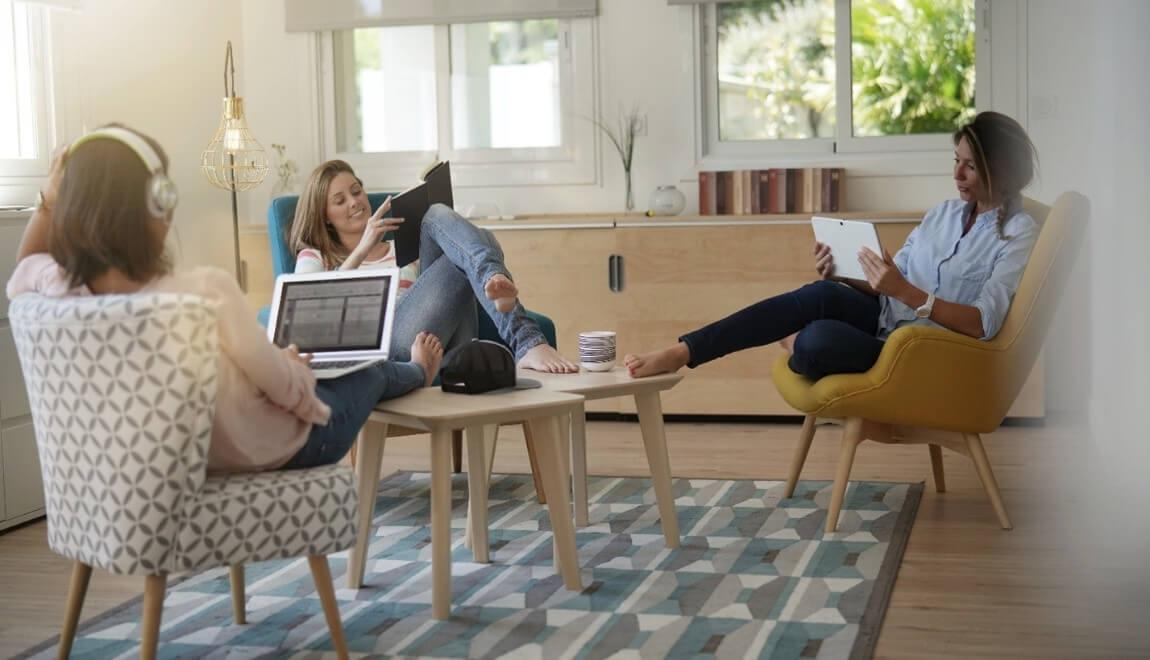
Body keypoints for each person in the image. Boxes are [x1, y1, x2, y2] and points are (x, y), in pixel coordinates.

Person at [6, 124, 444, 473]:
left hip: (147, 473)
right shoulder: (203, 292)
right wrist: (293, 373)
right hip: (266, 453)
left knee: (329, 366)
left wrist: (52, 196)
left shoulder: (56, 292)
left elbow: (24, 266)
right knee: (365, 374)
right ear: (159, 203)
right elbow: (292, 395)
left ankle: (404, 369)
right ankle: (416, 371)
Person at [625, 111, 1040, 381]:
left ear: (1001, 168)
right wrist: (850, 273)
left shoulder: (1018, 233)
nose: (958, 174)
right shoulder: (943, 213)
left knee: (814, 342)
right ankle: (683, 351)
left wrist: (903, 290)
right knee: (821, 291)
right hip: (884, 316)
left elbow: (983, 322)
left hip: (921, 353)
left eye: (971, 165)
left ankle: (793, 340)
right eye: (956, 160)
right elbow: (893, 281)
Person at [288, 160, 578, 374]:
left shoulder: (400, 250)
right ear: (325, 216)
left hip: (445, 341)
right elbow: (311, 312)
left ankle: (496, 282)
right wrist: (363, 248)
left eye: (356, 191)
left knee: (440, 217)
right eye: (340, 200)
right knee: (481, 242)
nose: (354, 202)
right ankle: (525, 339)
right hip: (390, 348)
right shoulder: (315, 256)